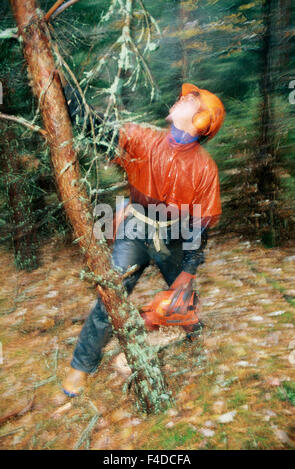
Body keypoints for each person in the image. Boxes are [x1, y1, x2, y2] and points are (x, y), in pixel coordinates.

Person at [62, 82, 225, 397]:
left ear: (202, 121)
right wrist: (66, 91)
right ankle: (81, 365)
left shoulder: (205, 169)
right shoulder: (143, 140)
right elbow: (98, 131)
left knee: (182, 297)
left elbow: (200, 226)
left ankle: (194, 334)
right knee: (111, 293)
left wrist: (189, 270)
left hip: (175, 237)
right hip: (135, 230)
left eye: (190, 100)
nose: (180, 99)